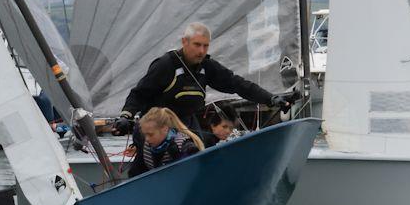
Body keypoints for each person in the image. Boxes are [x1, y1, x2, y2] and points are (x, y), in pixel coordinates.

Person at [112, 22, 291, 136]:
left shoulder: (206, 66)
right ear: (184, 42)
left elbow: (238, 84)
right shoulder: (166, 65)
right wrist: (125, 117)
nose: (201, 51)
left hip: (188, 128)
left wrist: (270, 98)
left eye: (205, 46)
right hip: (158, 130)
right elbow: (139, 94)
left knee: (205, 142)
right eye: (197, 45)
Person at [128, 107, 204, 178]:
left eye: (150, 134)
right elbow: (134, 175)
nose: (147, 139)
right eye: (145, 134)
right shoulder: (146, 147)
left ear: (165, 129)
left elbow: (193, 174)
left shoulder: (185, 146)